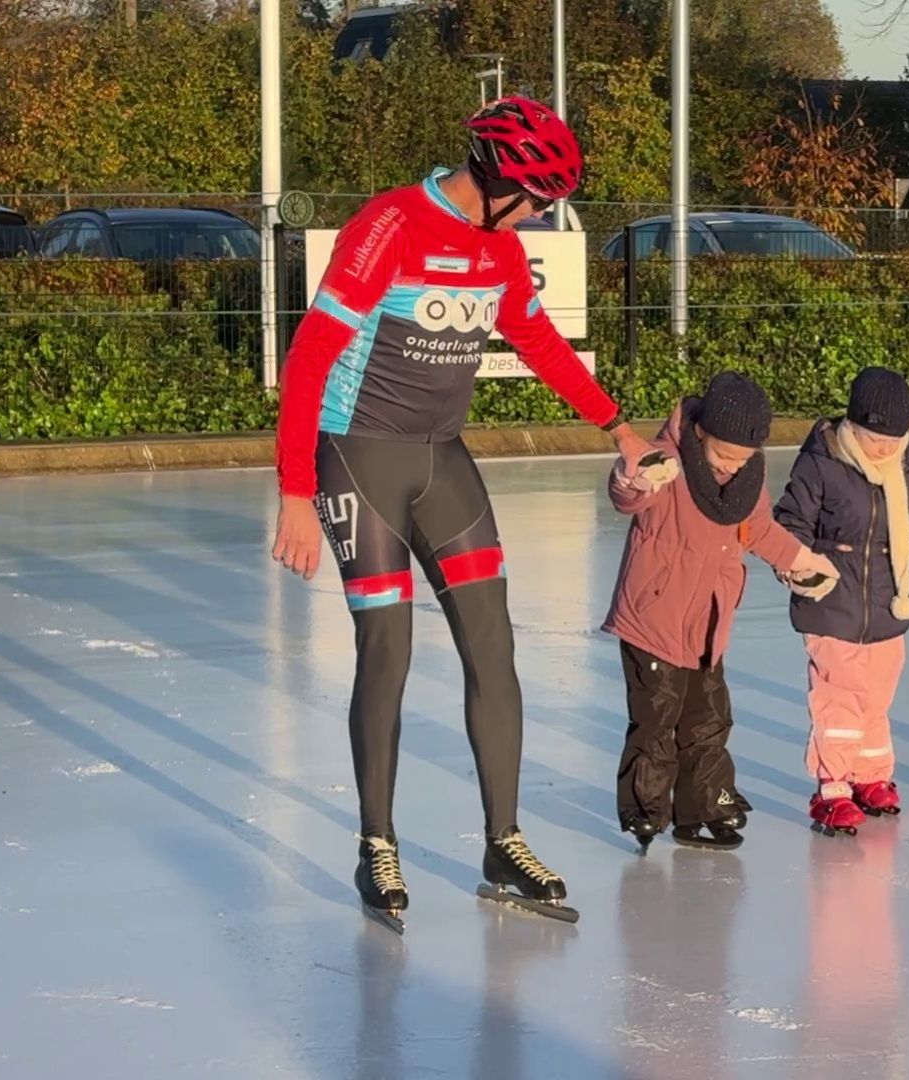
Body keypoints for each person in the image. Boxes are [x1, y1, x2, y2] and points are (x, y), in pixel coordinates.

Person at [269, 96, 655, 928]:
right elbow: (310, 355)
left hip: (442, 458)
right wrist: (295, 492)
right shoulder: (393, 224)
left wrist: (617, 425)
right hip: (358, 454)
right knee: (390, 646)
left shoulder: (502, 249)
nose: (546, 213)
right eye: (541, 199)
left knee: (494, 644)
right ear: (503, 181)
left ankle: (502, 839)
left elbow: (540, 340)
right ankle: (378, 842)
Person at [603, 372, 839, 852]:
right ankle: (646, 811)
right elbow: (629, 497)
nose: (733, 465)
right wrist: (632, 475)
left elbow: (758, 530)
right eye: (724, 454)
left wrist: (801, 561)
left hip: (709, 623)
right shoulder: (666, 462)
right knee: (656, 721)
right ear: (701, 433)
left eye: (744, 456)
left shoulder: (748, 478)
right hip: (653, 619)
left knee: (708, 719)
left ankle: (705, 807)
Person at [772, 367, 909, 836]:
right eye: (874, 438)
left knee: (876, 694)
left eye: (895, 439)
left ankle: (869, 775)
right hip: (831, 599)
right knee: (839, 696)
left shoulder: (903, 462)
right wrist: (800, 564)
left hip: (888, 601)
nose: (885, 448)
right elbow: (790, 520)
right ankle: (831, 787)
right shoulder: (821, 461)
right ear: (852, 426)